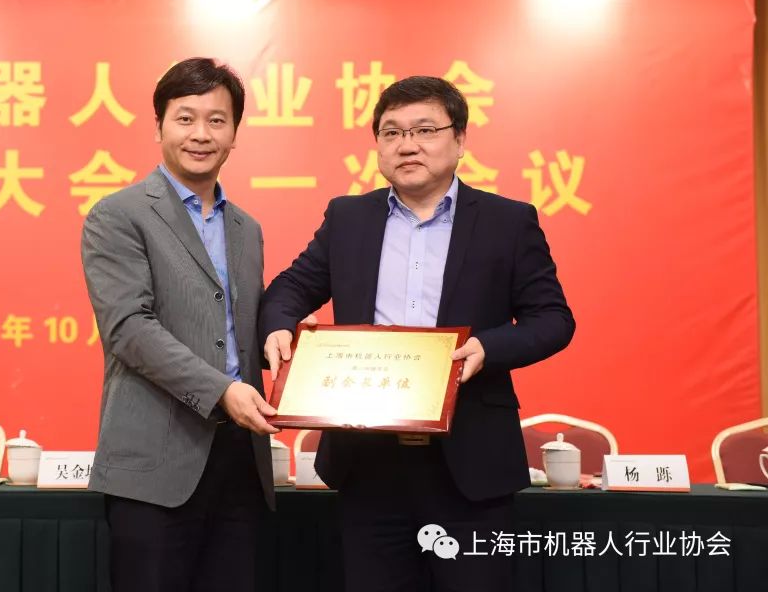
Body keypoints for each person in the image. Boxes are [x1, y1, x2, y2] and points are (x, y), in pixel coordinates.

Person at [260, 75, 575, 592]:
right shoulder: (348, 217)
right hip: (368, 463)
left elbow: (553, 319)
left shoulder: (508, 221)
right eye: (391, 132)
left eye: (425, 130)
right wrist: (278, 326)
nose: (407, 145)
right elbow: (290, 288)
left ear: (460, 139)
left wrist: (488, 348)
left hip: (470, 464)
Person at [81, 57, 277, 592]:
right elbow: (129, 328)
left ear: (234, 133)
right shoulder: (118, 214)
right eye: (185, 118)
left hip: (240, 462)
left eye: (217, 120)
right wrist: (223, 392)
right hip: (156, 464)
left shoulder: (247, 228)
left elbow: (240, 332)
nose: (200, 134)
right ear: (159, 127)